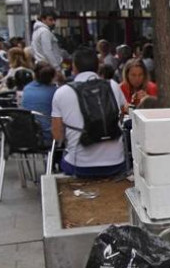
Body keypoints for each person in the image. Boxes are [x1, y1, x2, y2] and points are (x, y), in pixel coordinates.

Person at [51, 48, 127, 177]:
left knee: (60, 160)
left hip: (80, 166)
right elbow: (124, 112)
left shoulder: (61, 92)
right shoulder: (113, 85)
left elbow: (57, 135)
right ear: (98, 66)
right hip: (116, 163)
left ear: (74, 67)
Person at [21, 61, 58, 142]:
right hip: (48, 136)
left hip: (28, 135)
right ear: (53, 77)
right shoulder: (56, 92)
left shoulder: (27, 89)